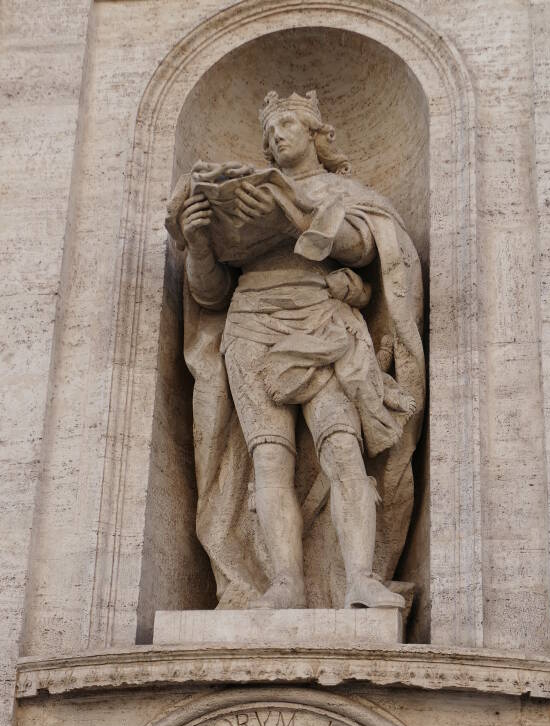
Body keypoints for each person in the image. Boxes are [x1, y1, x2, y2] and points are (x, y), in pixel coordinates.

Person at [166, 90, 425, 610]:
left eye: (286, 124)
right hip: (250, 327)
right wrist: (198, 241)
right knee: (268, 456)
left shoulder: (339, 190)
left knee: (342, 446)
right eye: (269, 133)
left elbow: (366, 247)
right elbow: (211, 294)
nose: (276, 136)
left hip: (319, 326)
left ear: (315, 134)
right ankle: (285, 583)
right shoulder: (248, 197)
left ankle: (360, 580)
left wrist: (294, 216)